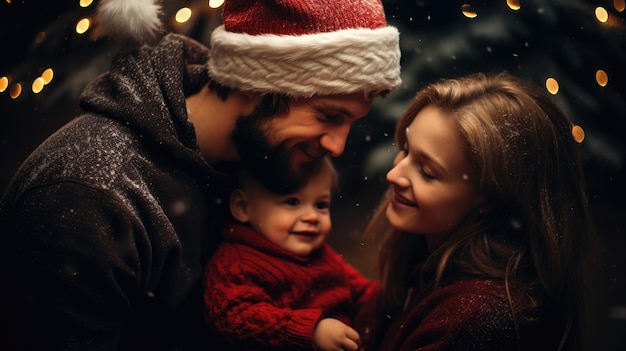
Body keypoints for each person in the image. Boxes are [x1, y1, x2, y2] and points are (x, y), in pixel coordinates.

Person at [0, 0, 401, 349]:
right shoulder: (88, 196)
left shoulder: (256, 159)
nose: (337, 146)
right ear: (255, 84)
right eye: (328, 116)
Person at [354, 72, 595, 351]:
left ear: (492, 198)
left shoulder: (472, 321)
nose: (394, 174)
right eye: (405, 151)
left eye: (427, 172)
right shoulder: (423, 261)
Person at [204, 157, 374, 351]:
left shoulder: (321, 254)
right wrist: (312, 330)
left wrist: (390, 295)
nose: (312, 216)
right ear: (243, 208)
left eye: (321, 205)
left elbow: (359, 289)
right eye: (293, 202)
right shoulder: (236, 262)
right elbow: (231, 318)